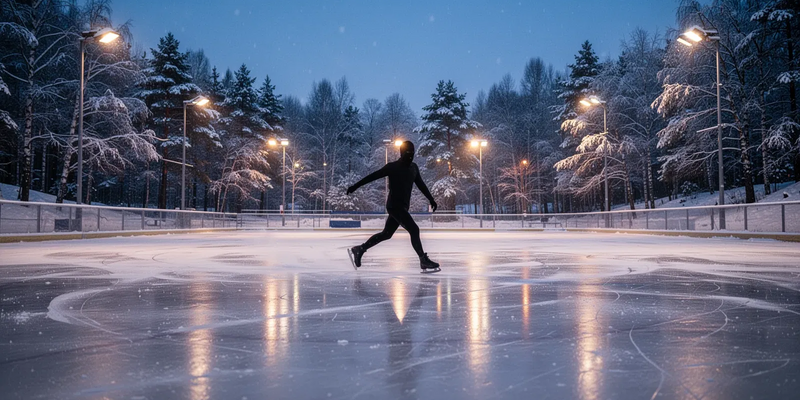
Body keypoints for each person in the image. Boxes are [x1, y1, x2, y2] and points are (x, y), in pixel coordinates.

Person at [346, 141, 440, 271]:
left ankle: (360, 249)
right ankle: (423, 260)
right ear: (401, 153)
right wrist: (355, 186)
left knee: (387, 234)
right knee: (414, 229)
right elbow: (372, 176)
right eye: (408, 153)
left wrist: (431, 199)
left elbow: (421, 184)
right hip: (394, 206)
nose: (410, 155)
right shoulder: (393, 167)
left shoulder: (414, 168)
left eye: (412, 153)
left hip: (403, 207)